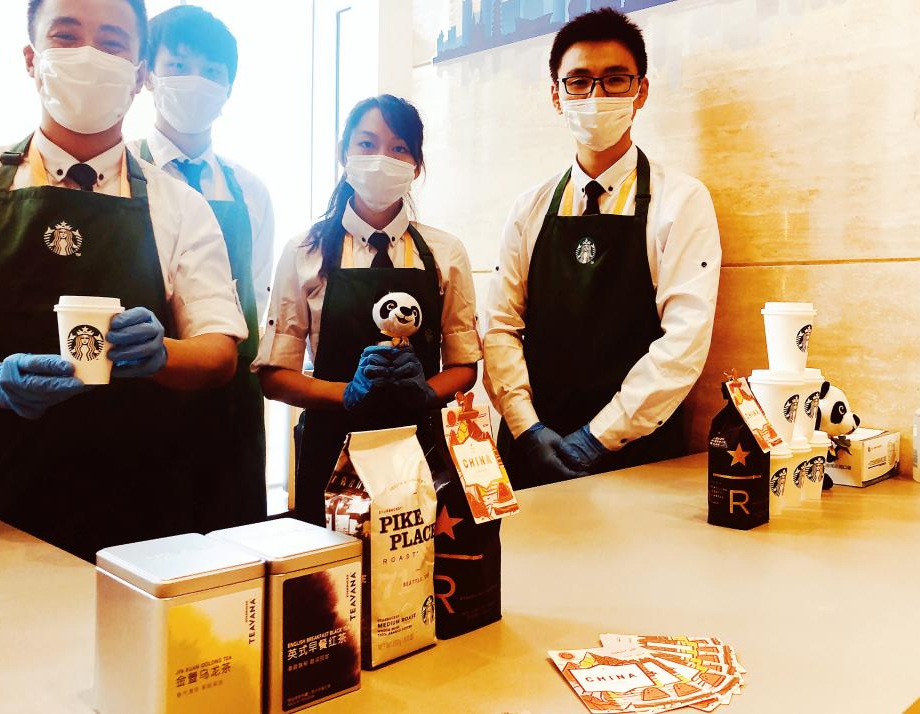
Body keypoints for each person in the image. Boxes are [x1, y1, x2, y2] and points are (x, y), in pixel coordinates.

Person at [0, 0, 247, 561]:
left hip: (144, 509)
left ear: (139, 74)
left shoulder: (181, 206)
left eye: (112, 41)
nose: (89, 55)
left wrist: (163, 354)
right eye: (66, 36)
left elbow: (219, 353)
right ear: (31, 59)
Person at [483, 8, 722, 488]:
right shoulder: (529, 207)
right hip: (532, 450)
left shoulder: (682, 201)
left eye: (615, 80)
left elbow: (683, 343)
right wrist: (526, 428)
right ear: (557, 96)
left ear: (641, 91)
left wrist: (597, 437)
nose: (596, 96)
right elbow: (500, 327)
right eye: (578, 82)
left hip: (637, 456)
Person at [254, 95, 482, 525]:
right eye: (366, 144)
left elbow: (464, 366)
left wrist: (427, 392)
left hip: (417, 449)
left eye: (399, 148)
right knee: (334, 567)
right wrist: (346, 394)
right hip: (329, 447)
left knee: (413, 562)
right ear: (344, 154)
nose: (381, 158)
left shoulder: (445, 253)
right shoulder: (304, 252)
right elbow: (274, 377)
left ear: (416, 166)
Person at [131, 5, 274, 527]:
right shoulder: (121, 172)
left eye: (211, 72)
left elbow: (256, 289)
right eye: (178, 65)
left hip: (230, 405)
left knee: (232, 548)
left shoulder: (249, 190)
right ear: (147, 75)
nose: (195, 81)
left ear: (228, 89)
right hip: (140, 396)